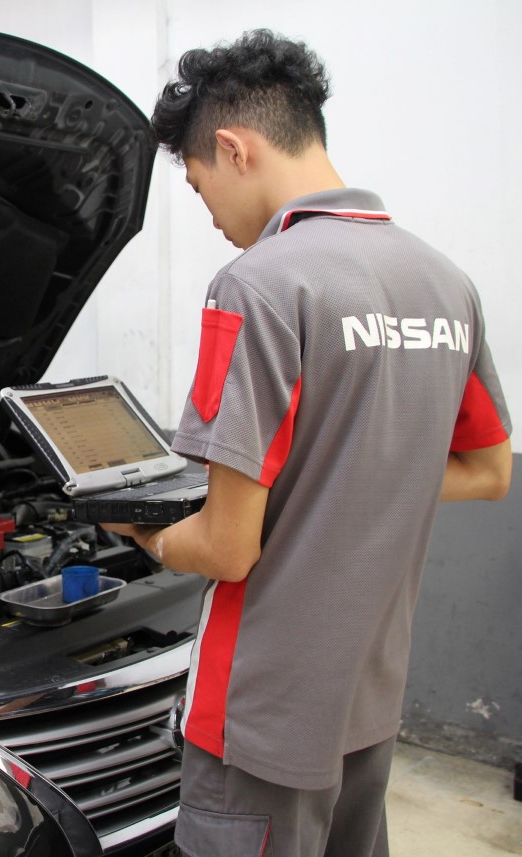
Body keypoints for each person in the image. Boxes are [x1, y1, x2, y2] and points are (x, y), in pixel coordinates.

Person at [104, 29, 513, 857]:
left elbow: (227, 547)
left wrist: (142, 532)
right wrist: (354, 471)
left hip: (260, 710)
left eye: (199, 185)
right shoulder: (446, 283)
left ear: (233, 148)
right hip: (368, 693)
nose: (211, 217)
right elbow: (489, 470)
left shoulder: (256, 284)